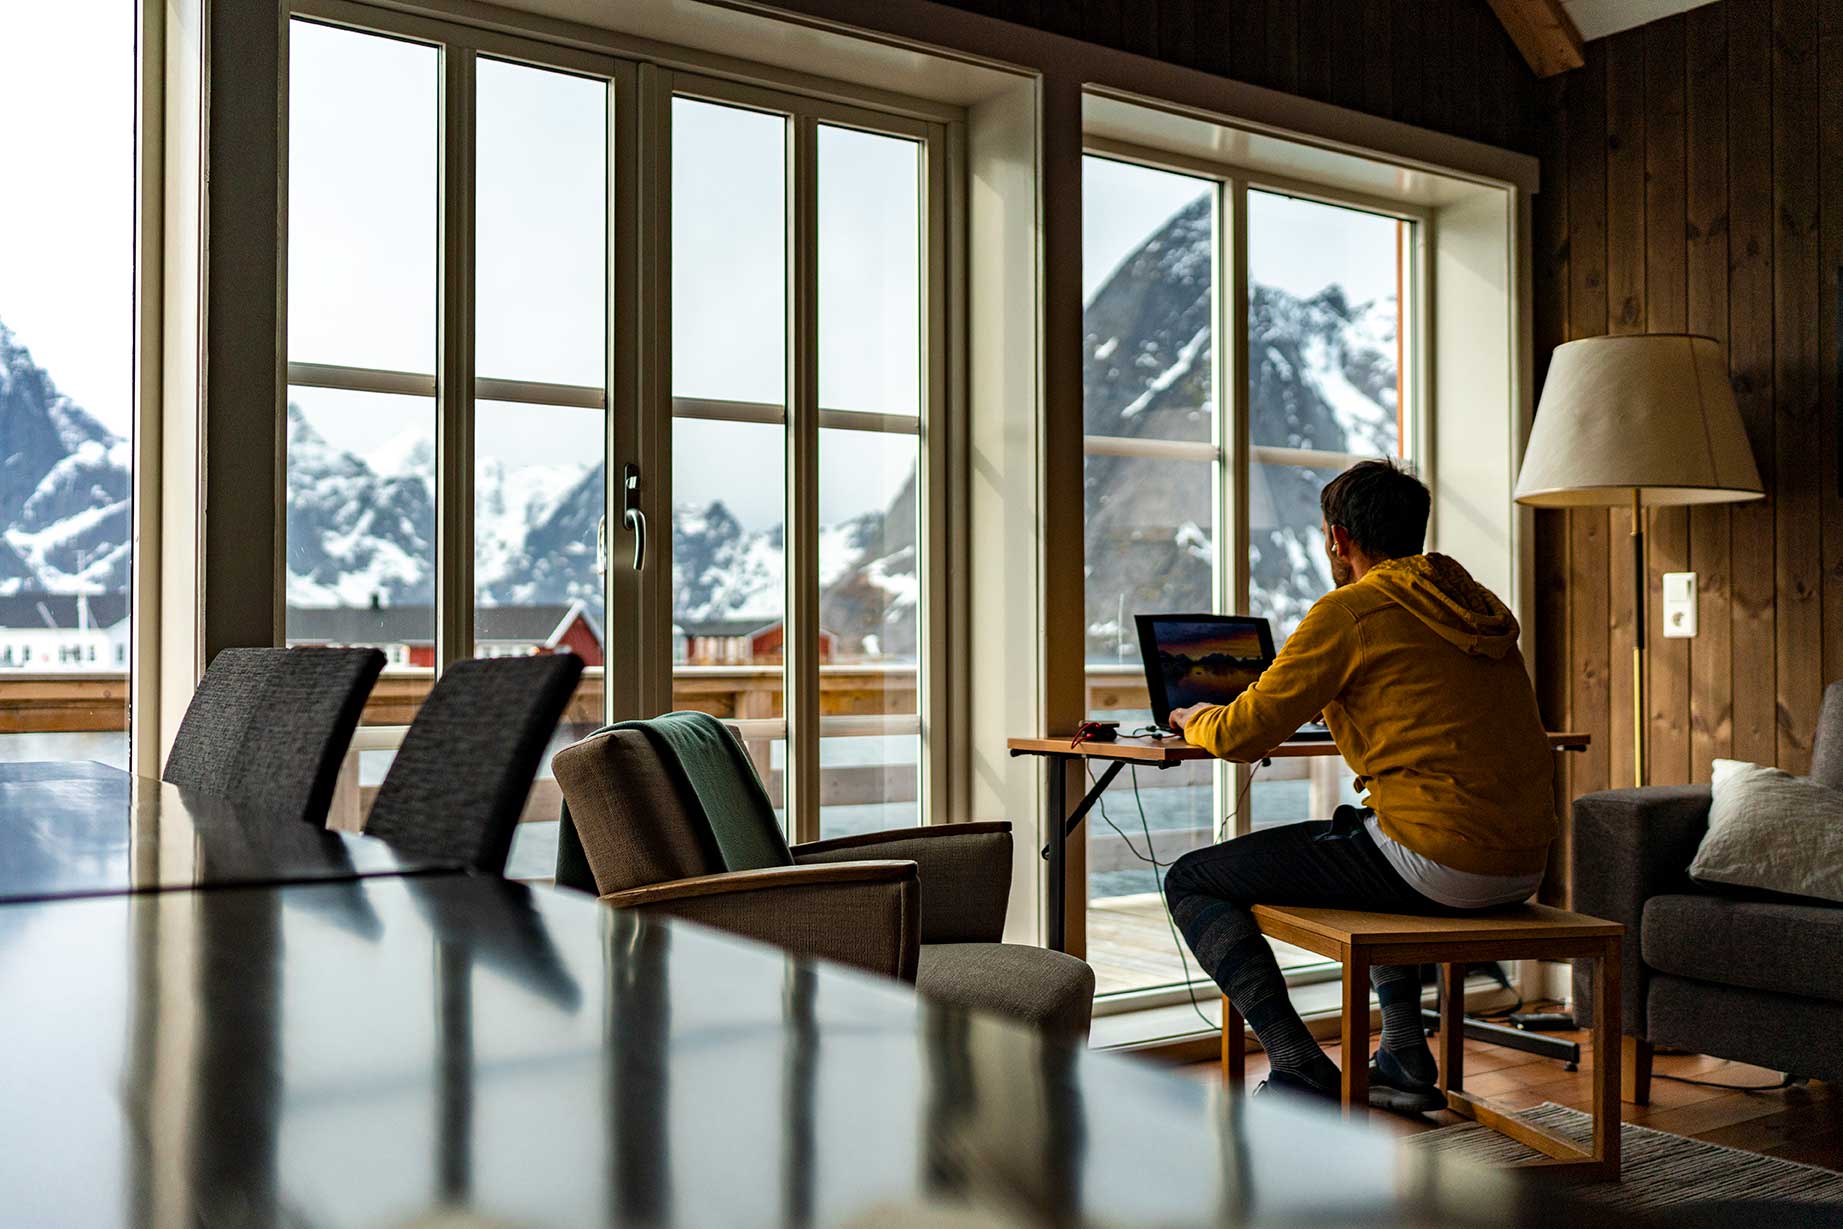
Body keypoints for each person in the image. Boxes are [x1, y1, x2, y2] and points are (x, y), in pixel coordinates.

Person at [1163, 459, 1555, 1113]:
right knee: (1361, 825)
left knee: (1191, 878)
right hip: (1522, 862)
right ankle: (1403, 1050)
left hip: (1442, 860)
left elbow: (1238, 735)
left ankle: (1296, 1063)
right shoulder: (1474, 606)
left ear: (1337, 539)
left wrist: (1191, 715)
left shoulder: (1350, 611)